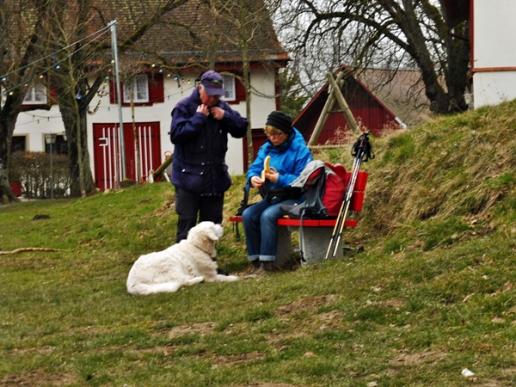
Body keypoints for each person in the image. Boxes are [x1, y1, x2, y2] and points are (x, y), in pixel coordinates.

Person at [170, 70, 248, 242]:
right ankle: (184, 267)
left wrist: (225, 117)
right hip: (188, 179)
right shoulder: (184, 107)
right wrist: (198, 119)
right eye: (210, 95)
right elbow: (176, 135)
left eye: (217, 96)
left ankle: (209, 266)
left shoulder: (221, 107)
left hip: (214, 180)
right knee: (187, 227)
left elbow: (241, 128)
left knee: (211, 227)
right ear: (200, 88)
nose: (213, 99)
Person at [242, 111, 312, 271]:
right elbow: (254, 168)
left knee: (267, 216)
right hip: (273, 197)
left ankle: (268, 264)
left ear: (286, 133)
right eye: (269, 133)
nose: (272, 138)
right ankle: (255, 261)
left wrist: (279, 178)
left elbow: (304, 180)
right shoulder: (267, 148)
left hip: (295, 197)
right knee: (248, 215)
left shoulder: (300, 150)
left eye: (276, 134)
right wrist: (253, 178)